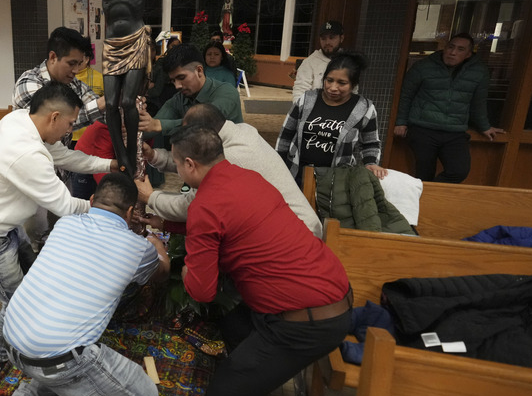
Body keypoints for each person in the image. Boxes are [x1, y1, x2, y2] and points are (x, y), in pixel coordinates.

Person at [173, 126, 351, 396]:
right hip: (333, 292)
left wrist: (186, 264)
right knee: (235, 321)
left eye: (176, 165)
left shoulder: (205, 206)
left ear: (189, 164)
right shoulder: (247, 176)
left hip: (304, 322)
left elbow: (201, 290)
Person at [12, 0, 252, 176]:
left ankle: (130, 150)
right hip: (112, 45)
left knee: (127, 101)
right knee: (112, 102)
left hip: (136, 41)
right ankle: (123, 154)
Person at [0, 173, 169, 396]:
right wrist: (157, 247)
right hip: (61, 357)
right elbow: (159, 274)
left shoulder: (66, 225)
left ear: (90, 202)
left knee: (60, 363)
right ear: (132, 213)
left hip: (13, 340)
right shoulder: (136, 246)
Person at [0, 83, 118, 376]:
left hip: (2, 227)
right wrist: (100, 207)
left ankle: (22, 345)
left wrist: (110, 164)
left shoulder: (20, 120)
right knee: (17, 303)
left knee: (31, 287)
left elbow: (66, 157)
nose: (68, 132)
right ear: (53, 117)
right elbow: (64, 205)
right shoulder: (25, 152)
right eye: (67, 124)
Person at [137, 103, 322, 238]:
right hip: (298, 225)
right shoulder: (242, 130)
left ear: (205, 135)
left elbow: (192, 207)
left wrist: (150, 198)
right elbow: (192, 164)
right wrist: (154, 155)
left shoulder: (231, 159)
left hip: (296, 235)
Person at [393, 33, 504, 183]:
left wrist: (484, 126)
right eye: (450, 47)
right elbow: (406, 95)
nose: (453, 52)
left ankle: (428, 198)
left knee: (459, 171)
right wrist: (401, 121)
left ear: (468, 54)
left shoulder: (479, 72)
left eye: (460, 49)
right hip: (423, 127)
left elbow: (478, 102)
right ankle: (422, 203)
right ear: (445, 48)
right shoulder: (423, 66)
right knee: (424, 172)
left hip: (455, 131)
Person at [276, 52, 386, 187]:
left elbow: (370, 143)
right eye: (329, 80)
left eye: (342, 83)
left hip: (336, 180)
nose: (333, 88)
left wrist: (371, 163)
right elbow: (286, 135)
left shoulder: (364, 108)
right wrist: (279, 165)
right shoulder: (307, 99)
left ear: (353, 84)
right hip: (296, 174)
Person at [12, 27, 106, 142]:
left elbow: (101, 111)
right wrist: (102, 103)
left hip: (58, 156)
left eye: (79, 64)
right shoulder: (28, 82)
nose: (76, 70)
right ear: (53, 57)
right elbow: (54, 122)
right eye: (71, 63)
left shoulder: (74, 84)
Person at [138, 44, 243, 138]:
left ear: (199, 70)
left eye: (182, 77)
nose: (177, 86)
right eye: (173, 80)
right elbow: (152, 126)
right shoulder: (179, 99)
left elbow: (207, 122)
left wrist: (158, 125)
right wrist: (135, 124)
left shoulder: (227, 92)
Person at [291, 20, 345, 102]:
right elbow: (300, 91)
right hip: (315, 111)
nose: (327, 42)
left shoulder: (348, 61)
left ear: (341, 38)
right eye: (323, 38)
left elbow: (353, 91)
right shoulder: (310, 62)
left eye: (332, 38)